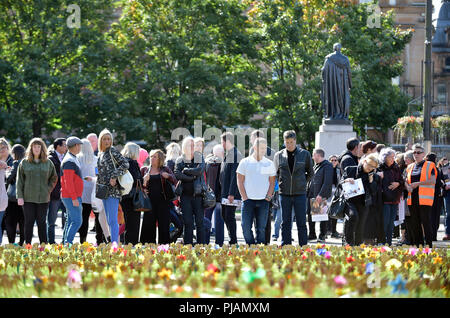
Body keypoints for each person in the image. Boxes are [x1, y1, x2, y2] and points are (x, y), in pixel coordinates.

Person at [273, 130, 314, 246]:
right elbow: (275, 173)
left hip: (300, 193)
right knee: (285, 222)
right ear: (284, 142)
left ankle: (303, 246)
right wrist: (281, 183)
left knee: (301, 222)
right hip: (284, 193)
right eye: (287, 142)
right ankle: (286, 246)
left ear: (295, 141)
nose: (289, 144)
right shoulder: (279, 155)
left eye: (291, 142)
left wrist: (302, 183)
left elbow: (311, 172)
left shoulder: (305, 154)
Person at [16, 138, 58, 244]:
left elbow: (54, 178)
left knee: (42, 223)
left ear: (42, 148)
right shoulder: (24, 163)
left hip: (43, 198)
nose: (36, 149)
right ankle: (28, 246)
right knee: (29, 222)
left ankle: (43, 246)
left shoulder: (48, 162)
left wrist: (48, 189)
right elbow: (19, 180)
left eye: (39, 146)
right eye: (34, 146)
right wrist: (19, 196)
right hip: (27, 198)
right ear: (31, 148)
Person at [237, 138, 276, 245]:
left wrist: (268, 197)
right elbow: (239, 181)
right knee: (245, 227)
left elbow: (272, 182)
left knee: (261, 229)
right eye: (261, 148)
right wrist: (245, 197)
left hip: (263, 201)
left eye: (264, 148)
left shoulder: (269, 163)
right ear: (254, 148)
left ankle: (260, 251)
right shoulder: (244, 162)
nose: (263, 150)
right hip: (248, 201)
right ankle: (251, 247)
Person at [96, 129, 129, 244]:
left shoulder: (112, 151)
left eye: (109, 139)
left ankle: (114, 245)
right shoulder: (101, 153)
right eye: (104, 139)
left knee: (113, 220)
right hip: (104, 190)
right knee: (109, 220)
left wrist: (114, 176)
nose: (107, 141)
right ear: (100, 140)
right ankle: (113, 243)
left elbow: (125, 164)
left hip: (113, 191)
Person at [342, 154, 379, 246]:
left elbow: (374, 192)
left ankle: (358, 244)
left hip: (363, 202)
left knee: (361, 224)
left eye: (373, 167)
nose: (370, 168)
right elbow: (340, 183)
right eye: (369, 165)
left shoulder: (373, 175)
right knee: (353, 216)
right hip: (349, 200)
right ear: (364, 161)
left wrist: (371, 182)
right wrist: (346, 181)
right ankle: (348, 243)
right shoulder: (350, 169)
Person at [174, 137, 206, 245]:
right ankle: (188, 245)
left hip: (198, 195)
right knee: (187, 222)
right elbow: (177, 174)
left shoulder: (199, 157)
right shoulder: (180, 160)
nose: (193, 147)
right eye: (190, 145)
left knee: (200, 222)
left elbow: (199, 170)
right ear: (184, 147)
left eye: (193, 145)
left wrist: (186, 171)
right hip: (185, 196)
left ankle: (201, 246)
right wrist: (191, 178)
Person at [141, 149, 177, 244]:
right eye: (151, 156)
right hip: (149, 202)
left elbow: (175, 181)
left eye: (155, 157)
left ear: (160, 159)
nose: (152, 158)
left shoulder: (165, 169)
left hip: (164, 202)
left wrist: (168, 176)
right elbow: (139, 186)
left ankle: (164, 247)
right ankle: (148, 246)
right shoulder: (144, 170)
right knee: (148, 225)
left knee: (164, 225)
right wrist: (144, 183)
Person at [404, 144, 436, 248]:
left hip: (424, 199)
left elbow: (432, 181)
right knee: (415, 223)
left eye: (418, 152)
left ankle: (429, 245)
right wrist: (407, 186)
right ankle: (418, 245)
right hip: (412, 198)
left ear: (423, 154)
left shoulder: (430, 164)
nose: (416, 154)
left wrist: (418, 183)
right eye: (414, 152)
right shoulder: (410, 166)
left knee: (426, 222)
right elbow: (404, 179)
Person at [219, 132, 243, 245]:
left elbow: (235, 175)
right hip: (225, 192)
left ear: (227, 141)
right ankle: (232, 239)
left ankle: (233, 241)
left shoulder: (235, 154)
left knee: (229, 216)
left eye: (222, 142)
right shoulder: (228, 154)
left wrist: (232, 193)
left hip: (231, 193)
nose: (221, 144)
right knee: (225, 215)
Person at [60, 137, 84, 245]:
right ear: (75, 146)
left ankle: (64, 243)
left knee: (70, 221)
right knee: (77, 221)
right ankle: (68, 244)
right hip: (71, 196)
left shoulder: (72, 158)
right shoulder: (69, 160)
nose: (80, 147)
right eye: (79, 145)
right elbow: (68, 182)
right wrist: (74, 198)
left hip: (70, 196)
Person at [306, 148, 333, 242]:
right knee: (310, 216)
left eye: (313, 155)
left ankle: (322, 235)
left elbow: (327, 182)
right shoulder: (316, 166)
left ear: (318, 155)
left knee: (322, 216)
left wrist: (321, 195)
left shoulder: (327, 166)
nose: (312, 157)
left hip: (320, 195)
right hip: (311, 194)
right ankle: (312, 234)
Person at [378, 148, 404, 246]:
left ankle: (388, 242)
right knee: (384, 222)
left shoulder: (396, 167)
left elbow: (401, 181)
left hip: (394, 199)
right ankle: (382, 241)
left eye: (394, 157)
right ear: (385, 157)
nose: (393, 159)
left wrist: (398, 183)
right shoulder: (380, 167)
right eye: (391, 157)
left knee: (391, 223)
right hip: (384, 199)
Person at [120, 142, 143, 245]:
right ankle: (132, 242)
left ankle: (127, 242)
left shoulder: (122, 162)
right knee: (134, 220)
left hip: (124, 195)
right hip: (133, 196)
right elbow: (137, 179)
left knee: (127, 220)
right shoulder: (133, 163)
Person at [77, 139, 98, 243]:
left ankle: (83, 240)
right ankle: (100, 240)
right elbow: (98, 174)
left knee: (84, 217)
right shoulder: (96, 159)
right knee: (98, 218)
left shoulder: (77, 159)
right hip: (94, 191)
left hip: (81, 192)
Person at [4, 144, 26, 245]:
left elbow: (8, 179)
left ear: (14, 153)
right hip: (25, 197)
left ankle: (12, 243)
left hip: (13, 198)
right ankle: (22, 242)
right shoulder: (28, 163)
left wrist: (7, 172)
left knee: (10, 222)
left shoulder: (16, 163)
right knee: (23, 221)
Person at [47, 138, 67, 244]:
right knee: (51, 220)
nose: (66, 147)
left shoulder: (67, 157)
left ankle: (65, 241)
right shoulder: (50, 158)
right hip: (54, 194)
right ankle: (51, 242)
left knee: (67, 218)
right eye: (64, 145)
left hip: (66, 193)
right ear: (58, 146)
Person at [205, 144, 225, 246]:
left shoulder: (206, 163)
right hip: (220, 196)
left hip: (208, 196)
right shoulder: (223, 163)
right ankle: (219, 243)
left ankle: (205, 242)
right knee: (219, 222)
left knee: (207, 220)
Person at [426, 153, 444, 241]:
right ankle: (433, 236)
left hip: (426, 195)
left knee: (428, 216)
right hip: (436, 195)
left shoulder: (425, 168)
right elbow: (438, 182)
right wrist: (442, 183)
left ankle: (428, 235)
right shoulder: (436, 169)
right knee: (435, 216)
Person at [327, 155, 342, 238]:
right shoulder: (327, 169)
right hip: (327, 192)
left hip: (336, 192)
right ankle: (327, 230)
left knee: (334, 212)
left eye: (335, 160)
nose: (333, 162)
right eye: (331, 160)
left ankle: (333, 230)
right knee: (326, 212)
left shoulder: (339, 170)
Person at [439, 157, 449, 240]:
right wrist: (444, 186)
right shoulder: (445, 168)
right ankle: (448, 233)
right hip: (448, 193)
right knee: (448, 213)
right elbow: (440, 180)